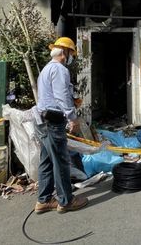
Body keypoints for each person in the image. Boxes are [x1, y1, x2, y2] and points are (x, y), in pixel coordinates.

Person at [34, 37, 88, 213]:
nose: (71, 57)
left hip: (42, 121)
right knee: (61, 161)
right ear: (64, 53)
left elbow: (52, 95)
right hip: (53, 122)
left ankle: (44, 200)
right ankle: (66, 201)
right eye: (71, 53)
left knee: (47, 161)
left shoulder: (46, 69)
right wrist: (73, 117)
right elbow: (60, 97)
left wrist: (71, 101)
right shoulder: (60, 70)